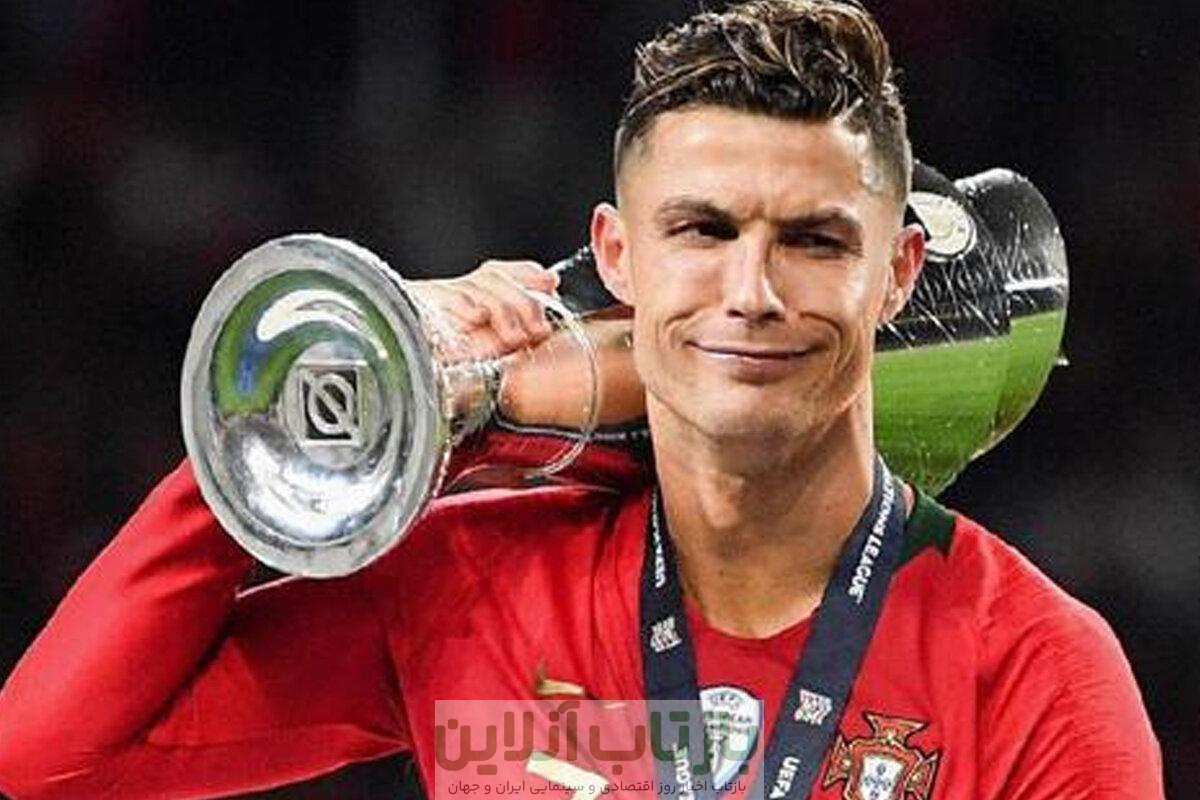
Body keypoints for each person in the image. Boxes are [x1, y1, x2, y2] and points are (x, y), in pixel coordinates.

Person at [0, 1, 1162, 798]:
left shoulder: (1033, 670)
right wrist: (381, 412)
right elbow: (48, 759)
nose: (751, 292)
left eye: (814, 239)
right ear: (616, 255)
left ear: (897, 273)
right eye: (701, 230)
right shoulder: (476, 583)